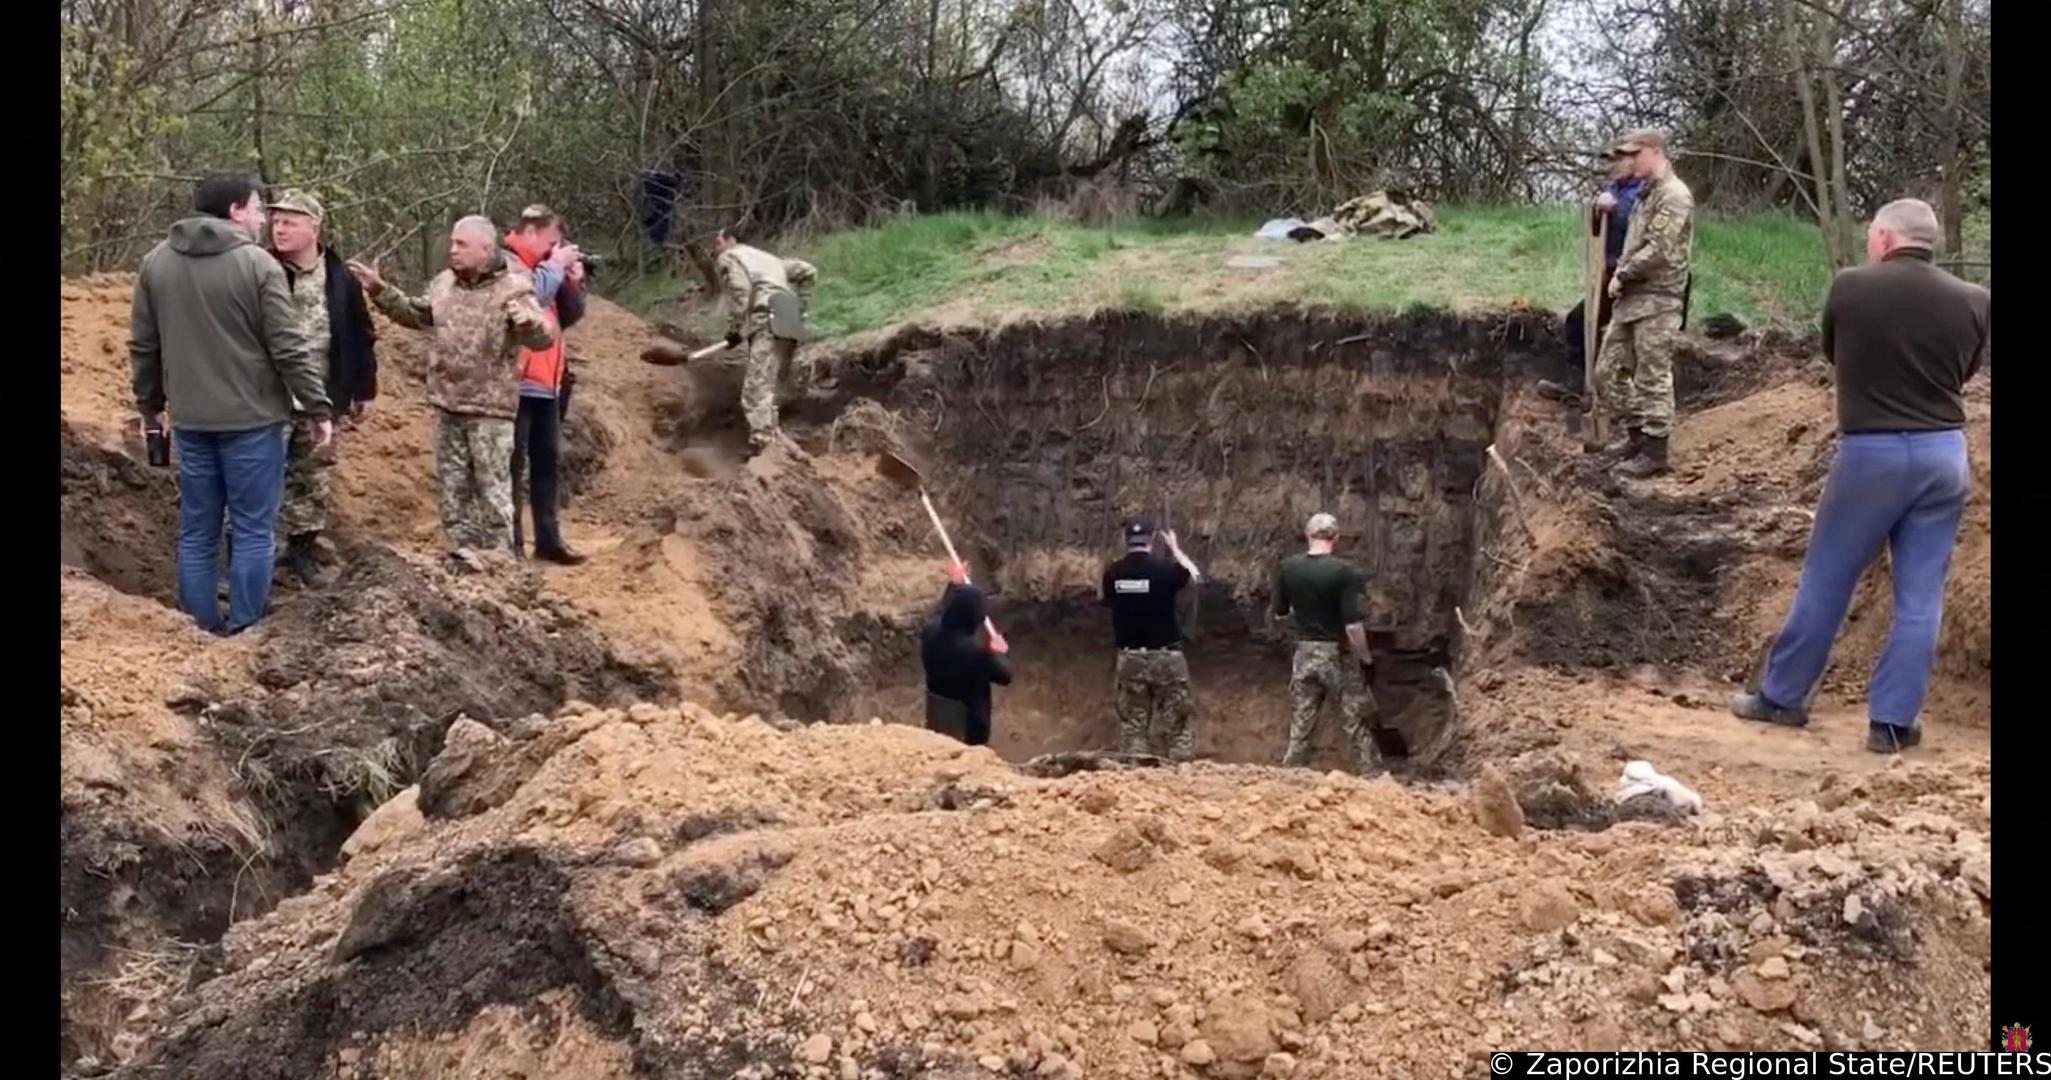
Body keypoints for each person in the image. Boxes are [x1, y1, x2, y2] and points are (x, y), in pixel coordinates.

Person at [1731, 199, 1989, 754]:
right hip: (1944, 454)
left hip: (1871, 453)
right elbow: (1966, 370)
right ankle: (1892, 724)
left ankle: (1782, 697)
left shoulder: (1851, 287)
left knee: (1828, 576)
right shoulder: (1975, 300)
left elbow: (1833, 351)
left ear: (1887, 239)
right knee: (1920, 595)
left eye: (1872, 234)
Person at [129, 172, 332, 634]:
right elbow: (288, 347)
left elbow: (144, 345)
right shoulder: (258, 266)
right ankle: (244, 629)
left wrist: (150, 407)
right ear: (236, 210)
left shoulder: (156, 263)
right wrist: (318, 407)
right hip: (253, 422)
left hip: (191, 421)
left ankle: (198, 629)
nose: (263, 220)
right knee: (253, 529)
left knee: (197, 530)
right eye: (258, 208)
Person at [347, 216, 554, 563]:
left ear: (485, 249)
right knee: (453, 491)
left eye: (461, 244)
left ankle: (500, 563)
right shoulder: (443, 284)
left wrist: (529, 324)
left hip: (489, 410)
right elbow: (416, 315)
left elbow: (542, 338)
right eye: (453, 242)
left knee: (492, 490)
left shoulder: (514, 289)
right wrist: (379, 290)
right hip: (447, 404)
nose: (452, 250)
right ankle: (460, 558)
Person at [263, 189, 378, 587]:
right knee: (262, 475)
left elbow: (362, 334)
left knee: (312, 479)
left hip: (322, 397)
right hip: (268, 397)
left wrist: (364, 389)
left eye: (290, 222)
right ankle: (253, 557)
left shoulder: (340, 277)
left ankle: (301, 552)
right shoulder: (260, 269)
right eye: (276, 221)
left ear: (314, 228)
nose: (279, 229)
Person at [1593, 128, 1696, 478]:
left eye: (1635, 154)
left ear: (1654, 151)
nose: (1629, 161)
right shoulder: (1644, 194)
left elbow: (1659, 249)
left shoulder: (1674, 195)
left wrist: (1623, 274)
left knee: (1652, 375)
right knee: (1607, 372)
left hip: (1658, 298)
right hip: (1631, 298)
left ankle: (1655, 451)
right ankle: (1636, 436)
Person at [502, 204, 589, 564]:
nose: (555, 250)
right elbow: (531, 298)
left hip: (548, 381)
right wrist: (554, 266)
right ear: (530, 233)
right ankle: (511, 545)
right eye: (552, 243)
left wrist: (572, 281)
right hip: (516, 382)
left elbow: (569, 315)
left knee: (547, 463)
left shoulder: (544, 268)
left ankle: (549, 540)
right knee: (511, 467)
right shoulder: (507, 264)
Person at [1270, 513, 1382, 773]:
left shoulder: (1287, 567)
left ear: (1307, 534)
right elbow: (1353, 626)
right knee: (1355, 718)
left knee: (1302, 720)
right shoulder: (1346, 572)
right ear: (1336, 538)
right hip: (1337, 653)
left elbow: (1280, 613)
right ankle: (1372, 776)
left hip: (1305, 652)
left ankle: (1292, 774)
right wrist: (1366, 659)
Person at [1101, 519, 1203, 760]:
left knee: (1133, 727)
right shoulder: (1166, 569)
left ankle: (1137, 773)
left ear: (1126, 540)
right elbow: (1195, 577)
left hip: (1131, 658)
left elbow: (1109, 602)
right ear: (1153, 539)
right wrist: (1175, 550)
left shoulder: (1113, 573)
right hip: (1167, 657)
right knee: (1177, 725)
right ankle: (1181, 771)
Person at [710, 228, 817, 453]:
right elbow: (808, 271)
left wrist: (736, 329)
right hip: (790, 319)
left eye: (717, 243)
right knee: (771, 384)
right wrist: (802, 306)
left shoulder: (730, 257)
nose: (715, 249)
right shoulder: (768, 259)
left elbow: (740, 292)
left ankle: (764, 444)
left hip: (768, 317)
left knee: (755, 389)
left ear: (731, 241)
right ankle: (777, 440)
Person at [1556, 152, 1647, 391]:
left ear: (1633, 161)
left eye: (1618, 160)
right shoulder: (1613, 189)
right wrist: (1598, 210)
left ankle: (1623, 394)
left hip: (1637, 278)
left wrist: (1615, 208)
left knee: (1625, 337)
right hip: (1612, 276)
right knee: (1579, 320)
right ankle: (1579, 385)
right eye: (1609, 161)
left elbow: (1639, 223)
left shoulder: (1645, 190)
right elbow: (1597, 230)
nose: (1611, 166)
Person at [920, 558, 1013, 747]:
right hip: (970, 731)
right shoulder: (976, 655)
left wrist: (954, 585)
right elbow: (1006, 675)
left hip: (939, 718)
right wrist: (998, 651)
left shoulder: (930, 631)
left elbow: (942, 612)